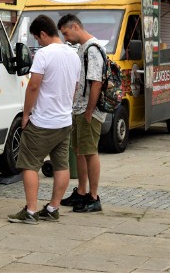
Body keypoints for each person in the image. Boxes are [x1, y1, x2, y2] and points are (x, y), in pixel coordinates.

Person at [7, 15, 80, 224]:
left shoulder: (44, 54)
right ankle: (53, 208)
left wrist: (27, 114)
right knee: (61, 165)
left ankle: (30, 211)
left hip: (43, 121)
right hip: (65, 121)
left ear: (43, 34)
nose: (38, 43)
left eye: (38, 39)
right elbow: (74, 88)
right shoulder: (73, 55)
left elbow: (33, 86)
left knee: (29, 165)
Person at [57, 14, 105, 213]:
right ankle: (82, 192)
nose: (65, 39)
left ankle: (93, 197)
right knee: (80, 151)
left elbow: (96, 82)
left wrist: (88, 111)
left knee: (90, 151)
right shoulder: (83, 48)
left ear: (75, 27)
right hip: (79, 108)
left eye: (66, 33)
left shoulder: (92, 49)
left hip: (88, 110)